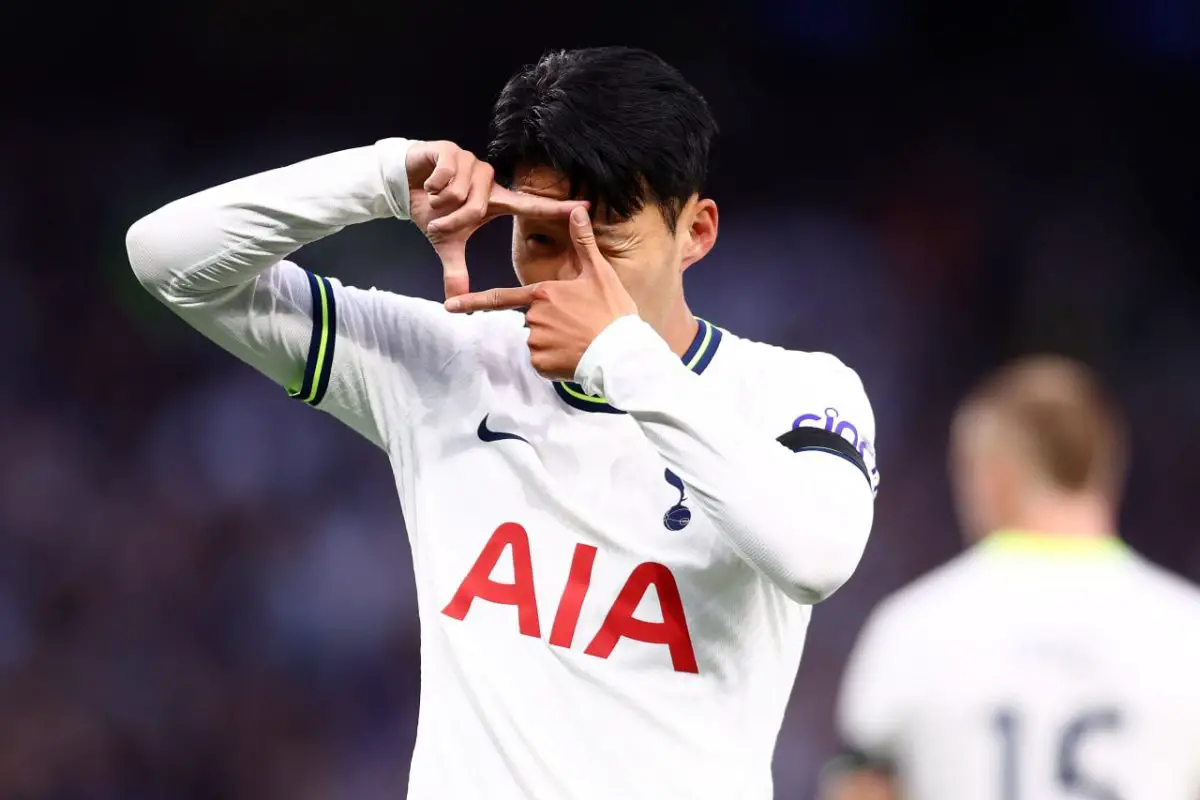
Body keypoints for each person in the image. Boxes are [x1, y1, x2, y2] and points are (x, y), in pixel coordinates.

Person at [127, 46, 880, 800]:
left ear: (697, 231)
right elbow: (166, 258)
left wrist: (619, 356)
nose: (569, 276)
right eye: (540, 237)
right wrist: (382, 180)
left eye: (608, 236)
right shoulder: (447, 364)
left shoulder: (794, 391)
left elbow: (813, 557)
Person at [824, 356, 1200, 800]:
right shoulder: (1184, 629)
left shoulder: (914, 627)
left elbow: (864, 792)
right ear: (1108, 468)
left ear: (993, 477)